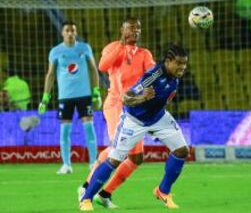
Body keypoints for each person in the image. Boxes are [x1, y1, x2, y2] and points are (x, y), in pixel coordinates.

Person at [79, 43, 189, 211]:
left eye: (184, 64)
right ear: (168, 61)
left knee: (182, 150)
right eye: (179, 63)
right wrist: (142, 98)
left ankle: (163, 191)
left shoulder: (175, 76)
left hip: (158, 118)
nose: (182, 67)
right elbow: (126, 98)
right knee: (115, 159)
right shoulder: (152, 76)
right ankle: (86, 199)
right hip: (134, 120)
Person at [78, 17, 155, 209]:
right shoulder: (112, 47)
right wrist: (121, 45)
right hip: (116, 105)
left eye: (138, 28)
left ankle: (104, 194)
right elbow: (103, 66)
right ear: (122, 30)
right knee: (117, 148)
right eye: (131, 28)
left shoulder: (144, 53)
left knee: (136, 157)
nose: (135, 31)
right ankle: (86, 186)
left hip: (136, 108)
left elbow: (152, 74)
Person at [38, 21, 101, 174]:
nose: (70, 33)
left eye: (73, 30)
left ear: (76, 32)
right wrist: (45, 98)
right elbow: (51, 74)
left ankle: (94, 162)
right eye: (67, 30)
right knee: (65, 130)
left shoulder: (84, 48)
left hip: (84, 95)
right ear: (62, 33)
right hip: (65, 97)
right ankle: (66, 165)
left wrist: (96, 92)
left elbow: (93, 70)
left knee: (89, 129)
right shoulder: (56, 51)